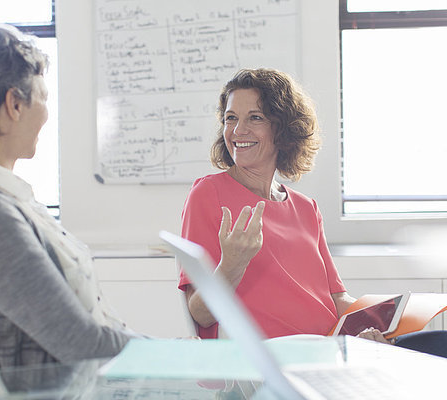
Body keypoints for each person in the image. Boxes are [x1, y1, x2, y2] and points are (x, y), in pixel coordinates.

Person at [178, 68, 447, 357]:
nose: (237, 130)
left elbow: (337, 299)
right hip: (272, 363)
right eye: (231, 118)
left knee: (438, 343)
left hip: (331, 352)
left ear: (282, 129)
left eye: (254, 117)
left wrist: (380, 327)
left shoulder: (306, 208)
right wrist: (231, 265)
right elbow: (201, 316)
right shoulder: (208, 195)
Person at [0, 25, 141, 369]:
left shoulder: (3, 198)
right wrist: (179, 355)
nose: (46, 113)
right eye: (43, 97)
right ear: (14, 104)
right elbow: (80, 341)